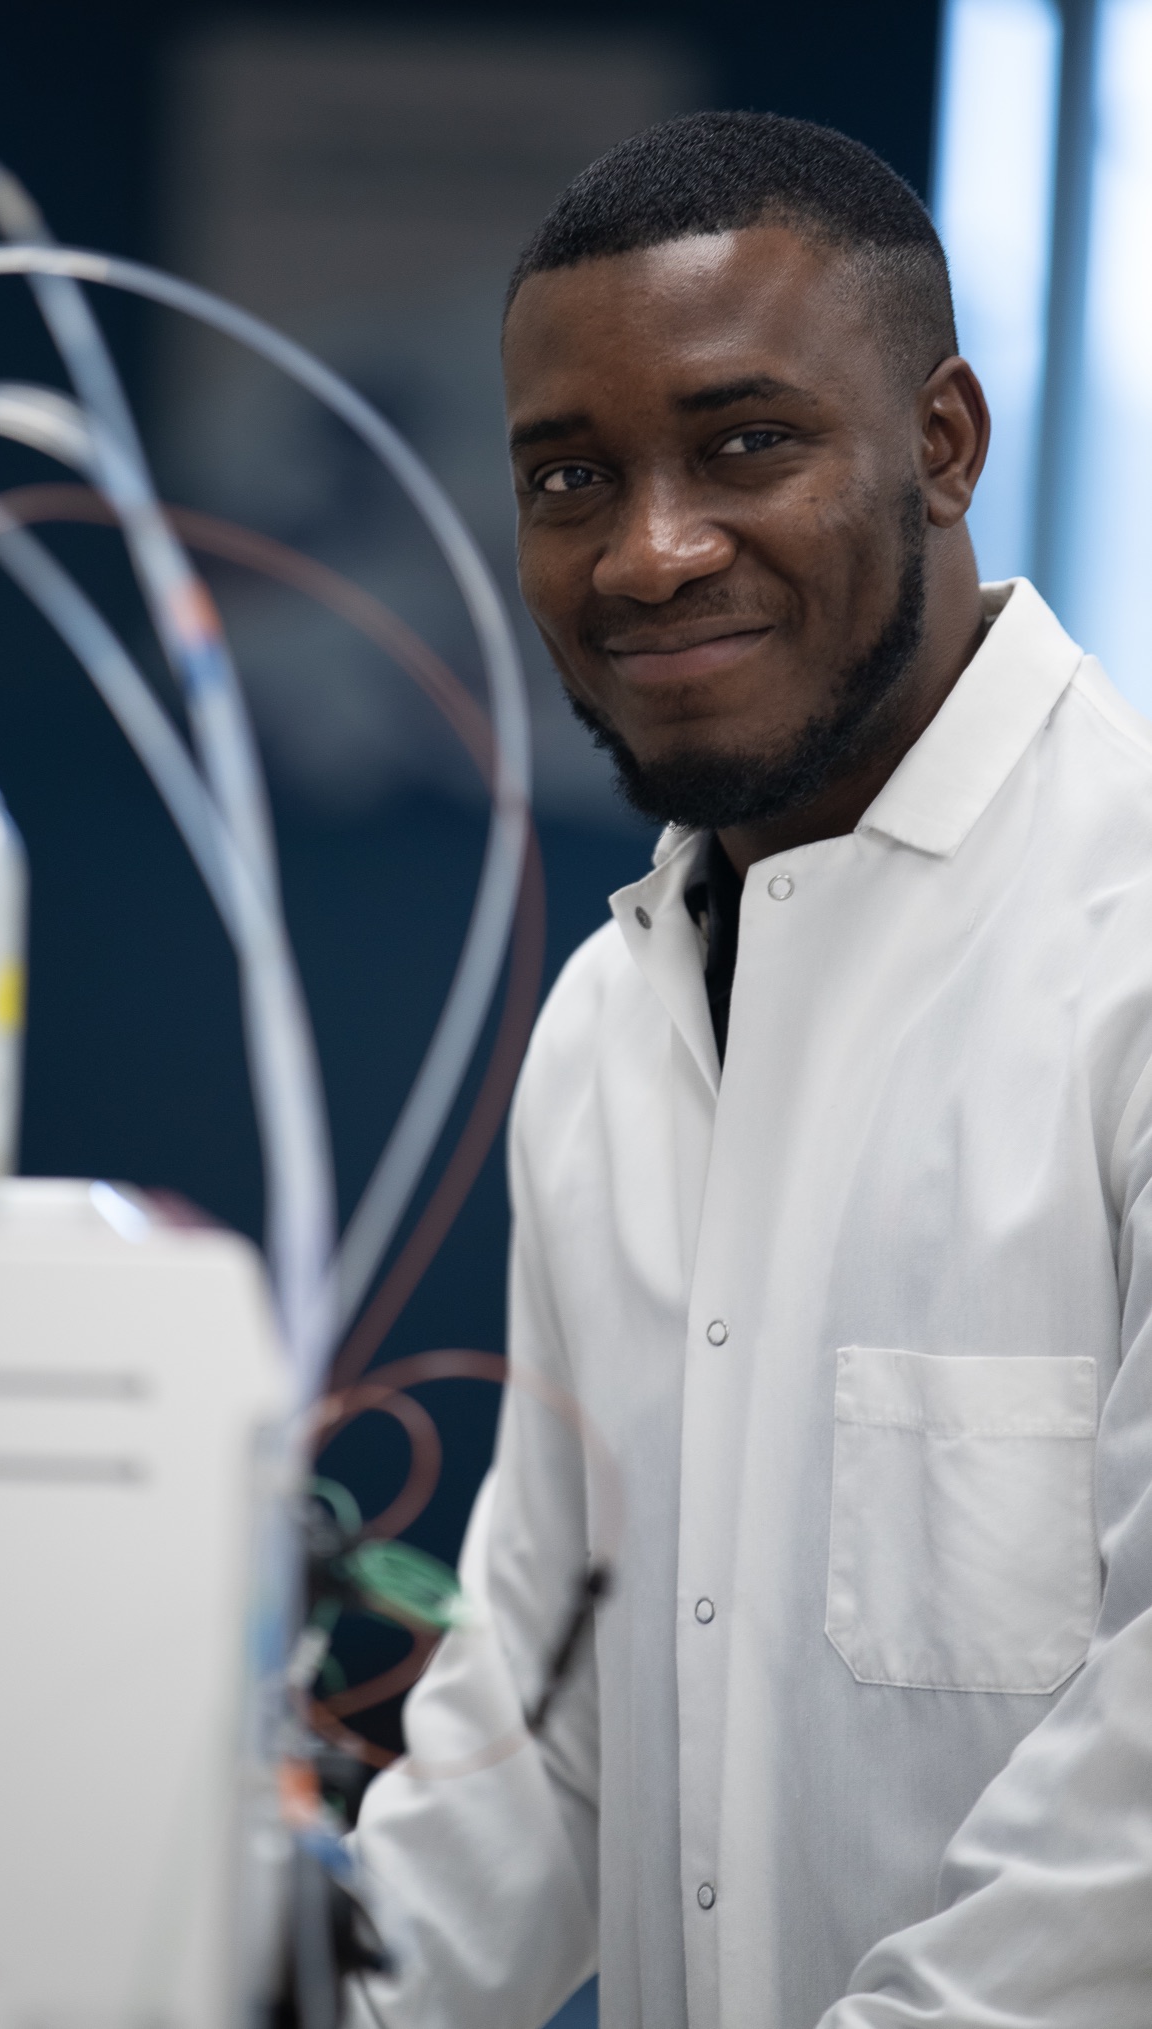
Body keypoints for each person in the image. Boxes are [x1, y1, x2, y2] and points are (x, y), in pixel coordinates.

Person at [347, 110, 1152, 2029]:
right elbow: (546, 1727)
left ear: (940, 446)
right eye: (570, 475)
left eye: (743, 444)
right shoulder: (611, 1028)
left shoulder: (1121, 950)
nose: (650, 550)